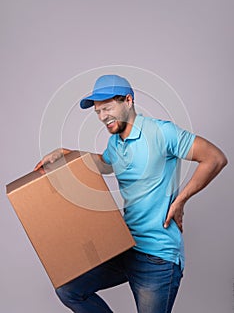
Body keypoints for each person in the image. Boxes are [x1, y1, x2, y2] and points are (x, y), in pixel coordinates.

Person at [34, 74, 227, 313]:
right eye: (97, 112)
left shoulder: (161, 132)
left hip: (158, 257)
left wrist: (181, 200)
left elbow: (215, 158)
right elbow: (105, 164)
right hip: (126, 248)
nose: (102, 117)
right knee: (69, 290)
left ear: (128, 100)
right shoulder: (116, 143)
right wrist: (67, 153)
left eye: (107, 108)